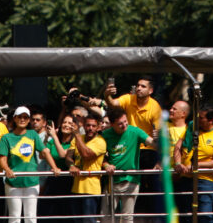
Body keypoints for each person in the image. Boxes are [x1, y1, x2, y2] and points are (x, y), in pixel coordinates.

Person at [104, 77, 163, 220]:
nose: (138, 88)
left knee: (153, 188)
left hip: (147, 148)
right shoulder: (128, 98)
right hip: (128, 147)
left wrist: (160, 161)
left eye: (143, 86)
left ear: (151, 90)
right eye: (137, 85)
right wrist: (107, 95)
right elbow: (112, 103)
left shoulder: (155, 108)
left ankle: (154, 219)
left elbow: (157, 140)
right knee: (107, 215)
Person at [0, 106, 61, 223]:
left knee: (31, 217)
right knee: (14, 217)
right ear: (15, 118)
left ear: (28, 120)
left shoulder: (32, 134)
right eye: (20, 117)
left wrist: (55, 167)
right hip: (13, 182)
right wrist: (7, 169)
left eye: (26, 117)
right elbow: (2, 158)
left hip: (31, 182)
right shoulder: (6, 137)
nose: (22, 119)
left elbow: (45, 151)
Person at [173, 105, 213, 223]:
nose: (197, 120)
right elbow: (178, 147)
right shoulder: (192, 128)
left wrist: (195, 166)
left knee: (204, 215)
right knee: (185, 215)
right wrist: (178, 163)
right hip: (186, 178)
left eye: (201, 118)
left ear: (211, 120)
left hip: (205, 181)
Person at [101, 105, 156, 222]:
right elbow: (100, 157)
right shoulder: (105, 135)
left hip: (131, 179)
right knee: (106, 217)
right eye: (120, 124)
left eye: (126, 121)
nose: (124, 125)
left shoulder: (135, 131)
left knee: (127, 218)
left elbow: (151, 142)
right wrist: (106, 165)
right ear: (112, 124)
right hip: (112, 180)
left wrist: (157, 139)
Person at [68, 112, 107, 222]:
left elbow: (86, 155)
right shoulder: (79, 137)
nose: (90, 128)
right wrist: (71, 165)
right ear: (84, 126)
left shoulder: (100, 141)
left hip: (91, 189)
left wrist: (77, 135)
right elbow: (68, 156)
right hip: (76, 188)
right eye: (88, 125)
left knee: (89, 220)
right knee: (76, 221)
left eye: (93, 126)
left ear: (98, 127)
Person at [40, 115, 77, 219]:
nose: (66, 125)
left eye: (70, 123)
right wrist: (47, 137)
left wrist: (54, 136)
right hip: (54, 179)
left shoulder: (74, 142)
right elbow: (41, 155)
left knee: (66, 213)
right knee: (49, 212)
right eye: (64, 122)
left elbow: (63, 155)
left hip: (68, 181)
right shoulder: (53, 141)